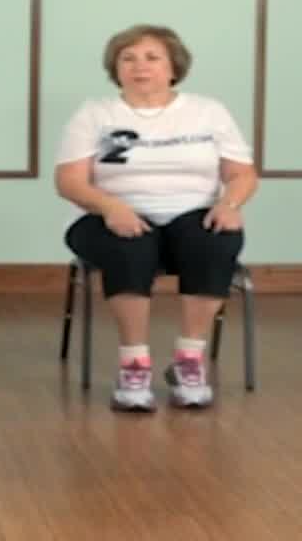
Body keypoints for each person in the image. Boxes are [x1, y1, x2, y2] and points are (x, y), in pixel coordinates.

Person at [53, 24, 256, 411]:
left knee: (214, 242)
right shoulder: (95, 114)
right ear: (115, 69)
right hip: (109, 214)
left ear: (173, 67)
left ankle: (189, 361)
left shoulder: (208, 112)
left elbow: (242, 174)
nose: (139, 66)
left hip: (192, 212)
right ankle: (134, 366)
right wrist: (110, 207)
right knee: (130, 247)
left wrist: (229, 204)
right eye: (127, 59)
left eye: (151, 58)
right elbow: (69, 181)